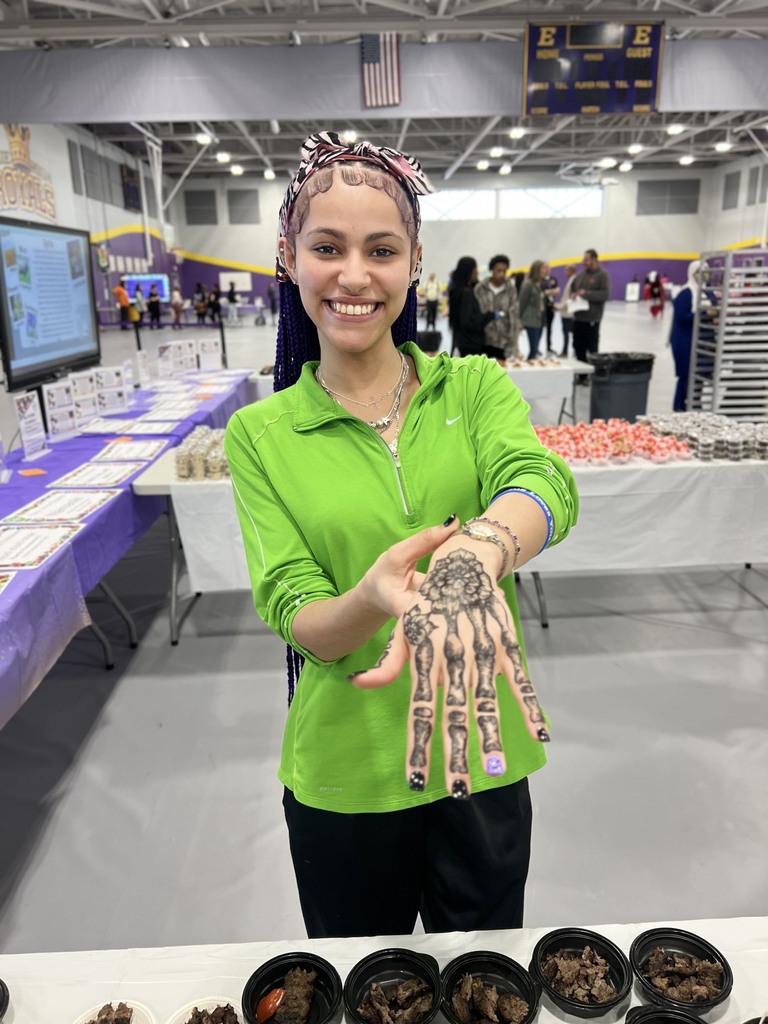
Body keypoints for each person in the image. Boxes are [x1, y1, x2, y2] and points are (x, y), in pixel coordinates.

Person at [225, 131, 578, 940]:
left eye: (381, 249)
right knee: (364, 992)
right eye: (327, 247)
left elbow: (544, 485)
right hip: (345, 776)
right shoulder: (260, 433)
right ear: (289, 258)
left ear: (414, 261)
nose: (355, 276)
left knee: (483, 982)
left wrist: (479, 549)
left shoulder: (477, 386)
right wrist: (369, 599)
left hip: (481, 759)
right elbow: (294, 607)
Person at [669, 260, 717, 411]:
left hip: (704, 342)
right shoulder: (685, 293)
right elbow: (682, 318)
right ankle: (680, 407)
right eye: (700, 272)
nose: (705, 275)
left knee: (699, 376)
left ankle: (695, 404)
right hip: (685, 342)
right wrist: (704, 313)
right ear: (692, 274)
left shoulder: (708, 294)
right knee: (686, 375)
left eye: (707, 272)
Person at [448, 256, 500, 357]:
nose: (477, 272)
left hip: (462, 341)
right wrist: (489, 316)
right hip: (470, 344)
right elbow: (467, 321)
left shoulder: (458, 290)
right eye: (475, 269)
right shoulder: (466, 293)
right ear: (470, 271)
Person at [475, 255, 521, 360]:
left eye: (504, 271)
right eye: (498, 271)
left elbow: (514, 315)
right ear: (492, 270)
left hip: (503, 341)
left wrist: (513, 344)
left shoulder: (511, 290)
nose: (501, 274)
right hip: (483, 340)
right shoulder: (480, 289)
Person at [570, 249, 611, 371]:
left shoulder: (602, 275)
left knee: (592, 348)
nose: (584, 262)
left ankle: (593, 373)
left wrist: (586, 293)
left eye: (587, 259)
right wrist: (574, 295)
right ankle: (582, 375)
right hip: (578, 318)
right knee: (578, 347)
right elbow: (574, 289)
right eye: (583, 259)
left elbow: (605, 294)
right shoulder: (580, 276)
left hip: (592, 319)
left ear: (594, 260)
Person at [518, 261, 545, 360]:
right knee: (533, 349)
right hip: (529, 320)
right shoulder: (528, 284)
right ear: (537, 270)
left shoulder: (539, 283)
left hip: (538, 319)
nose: (545, 270)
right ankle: (527, 368)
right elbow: (521, 302)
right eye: (543, 268)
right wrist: (519, 320)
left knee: (535, 349)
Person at [555, 265, 577, 357]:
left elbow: (569, 299)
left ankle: (566, 351)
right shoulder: (571, 281)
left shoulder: (573, 282)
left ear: (571, 270)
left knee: (567, 333)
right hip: (566, 312)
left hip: (568, 313)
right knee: (567, 333)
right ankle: (568, 350)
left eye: (566, 271)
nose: (565, 273)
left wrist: (560, 307)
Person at [540, 262, 560, 354]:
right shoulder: (540, 280)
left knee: (549, 328)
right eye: (545, 268)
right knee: (539, 328)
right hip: (542, 307)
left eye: (548, 268)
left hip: (550, 307)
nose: (547, 270)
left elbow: (557, 291)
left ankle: (549, 346)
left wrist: (549, 292)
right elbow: (542, 293)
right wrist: (551, 291)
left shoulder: (553, 279)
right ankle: (536, 347)